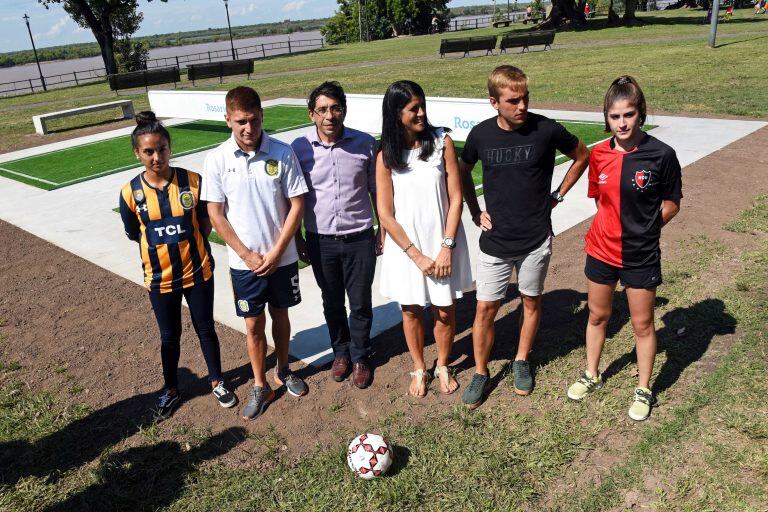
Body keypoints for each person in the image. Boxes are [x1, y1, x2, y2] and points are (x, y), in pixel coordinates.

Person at [459, 65, 589, 409]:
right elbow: (461, 171)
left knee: (531, 300)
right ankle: (481, 372)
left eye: (525, 98)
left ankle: (520, 360)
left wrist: (557, 196)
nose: (522, 106)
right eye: (513, 100)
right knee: (485, 308)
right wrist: (474, 210)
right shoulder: (480, 135)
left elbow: (582, 155)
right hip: (495, 242)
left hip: (535, 239)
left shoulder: (545, 129)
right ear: (494, 102)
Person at [567, 76, 682, 422]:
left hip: (640, 254)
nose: (622, 123)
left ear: (641, 113)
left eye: (628, 114)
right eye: (615, 116)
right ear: (607, 117)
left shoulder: (662, 155)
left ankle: (644, 388)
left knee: (643, 324)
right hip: (601, 250)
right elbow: (601, 202)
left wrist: (647, 230)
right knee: (598, 316)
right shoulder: (599, 154)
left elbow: (672, 203)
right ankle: (592, 373)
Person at [119, 111, 237, 421]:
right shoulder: (130, 192)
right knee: (169, 337)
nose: (156, 157)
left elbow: (204, 223)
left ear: (170, 148)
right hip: (160, 280)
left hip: (198, 273)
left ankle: (217, 380)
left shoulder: (191, 181)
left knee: (205, 329)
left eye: (161, 149)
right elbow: (134, 233)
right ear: (137, 153)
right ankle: (170, 388)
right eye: (148, 152)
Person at [202, 86, 309, 420]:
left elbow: (297, 204)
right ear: (227, 120)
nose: (249, 129)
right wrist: (247, 254)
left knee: (281, 315)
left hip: (282, 259)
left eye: (255, 120)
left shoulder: (282, 152)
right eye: (241, 122)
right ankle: (260, 386)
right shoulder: (217, 159)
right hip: (244, 264)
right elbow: (216, 214)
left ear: (262, 116)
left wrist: (277, 251)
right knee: (252, 325)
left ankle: (284, 369)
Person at [376, 80, 473, 397]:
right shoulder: (385, 156)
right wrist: (415, 254)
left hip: (442, 244)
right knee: (411, 310)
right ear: (395, 114)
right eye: (412, 108)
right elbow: (386, 214)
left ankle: (443, 364)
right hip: (407, 250)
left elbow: (456, 198)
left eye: (422, 106)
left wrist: (447, 247)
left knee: (445, 310)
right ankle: (419, 367)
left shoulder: (441, 142)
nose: (421, 113)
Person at [291, 81, 381, 389]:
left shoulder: (366, 144)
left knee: (360, 302)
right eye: (323, 110)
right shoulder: (298, 149)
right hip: (320, 241)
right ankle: (340, 353)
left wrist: (381, 229)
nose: (330, 115)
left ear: (344, 110)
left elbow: (376, 191)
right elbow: (293, 198)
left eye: (336, 108)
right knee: (331, 302)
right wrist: (298, 239)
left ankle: (360, 356)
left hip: (360, 238)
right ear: (311, 114)